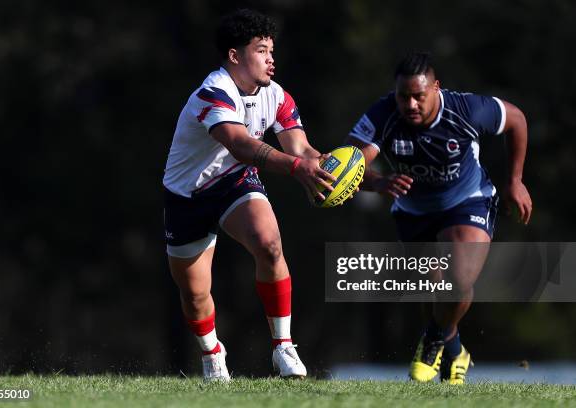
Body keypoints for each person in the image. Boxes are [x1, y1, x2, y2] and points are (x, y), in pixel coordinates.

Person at [162, 9, 335, 381]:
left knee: (269, 243)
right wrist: (295, 167)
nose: (271, 58)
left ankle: (283, 346)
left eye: (272, 50)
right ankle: (212, 353)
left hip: (235, 183)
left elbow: (302, 150)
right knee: (195, 296)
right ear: (234, 56)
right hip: (186, 196)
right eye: (261, 50)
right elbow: (240, 144)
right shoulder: (213, 93)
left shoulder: (278, 97)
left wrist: (339, 171)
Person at [346, 52, 533, 384]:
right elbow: (351, 165)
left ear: (436, 88)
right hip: (413, 211)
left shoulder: (466, 109)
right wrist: (377, 181)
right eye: (404, 96)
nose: (411, 104)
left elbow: (516, 119)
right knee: (433, 291)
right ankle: (454, 350)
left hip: (467, 201)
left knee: (458, 280)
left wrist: (514, 180)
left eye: (419, 96)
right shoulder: (383, 114)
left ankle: (432, 341)